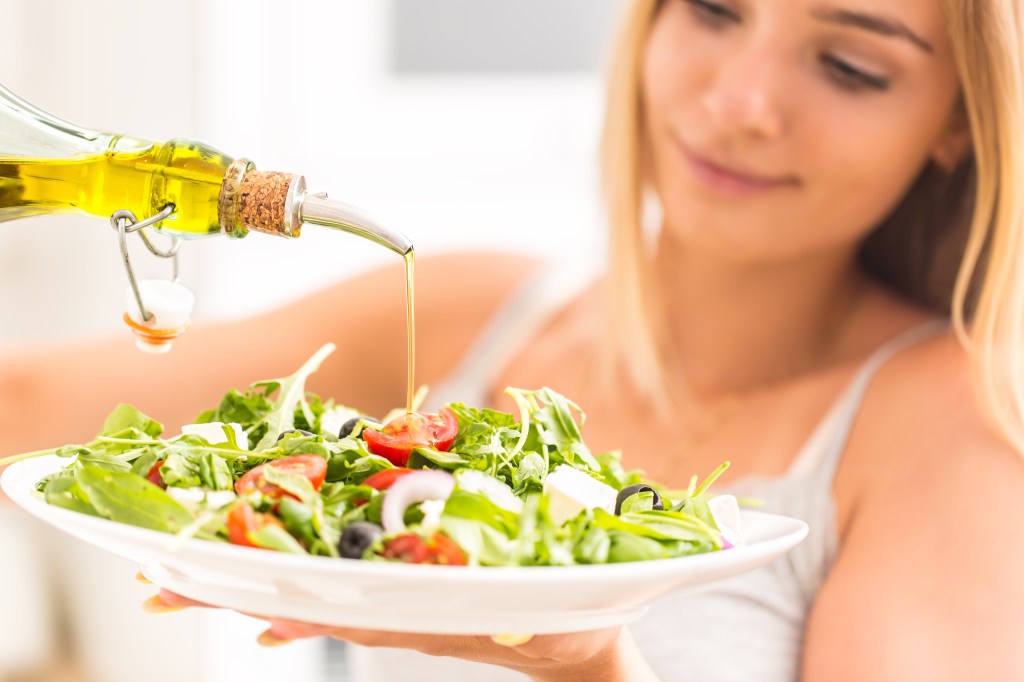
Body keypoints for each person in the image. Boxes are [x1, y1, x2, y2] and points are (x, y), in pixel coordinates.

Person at [3, 0, 1024, 679]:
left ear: (957, 122)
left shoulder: (953, 435)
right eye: (712, 8)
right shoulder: (474, 310)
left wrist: (593, 667)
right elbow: (26, 408)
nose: (738, 103)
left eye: (848, 66)